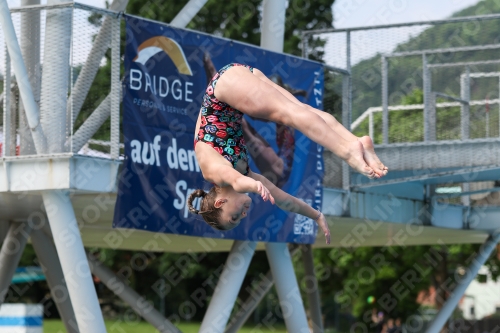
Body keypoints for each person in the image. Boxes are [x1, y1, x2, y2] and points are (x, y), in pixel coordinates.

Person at [187, 63, 388, 240]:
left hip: (224, 89)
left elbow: (238, 181)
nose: (242, 215)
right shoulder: (244, 173)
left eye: (234, 217)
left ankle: (348, 151)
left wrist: (256, 186)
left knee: (288, 114)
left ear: (220, 202)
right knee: (303, 110)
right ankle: (357, 142)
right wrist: (315, 215)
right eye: (239, 220)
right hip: (234, 82)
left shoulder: (215, 173)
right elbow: (284, 200)